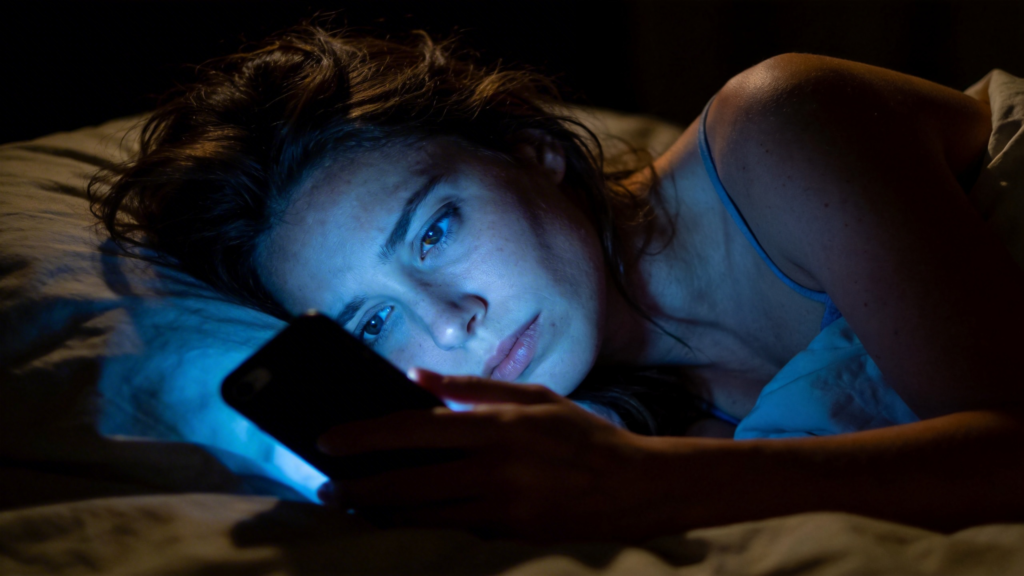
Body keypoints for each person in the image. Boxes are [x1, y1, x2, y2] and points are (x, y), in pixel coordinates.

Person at [90, 24, 1024, 542]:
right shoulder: (607, 424)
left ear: (536, 152)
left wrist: (648, 485)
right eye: (373, 322)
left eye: (436, 229)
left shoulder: (782, 124)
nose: (453, 323)